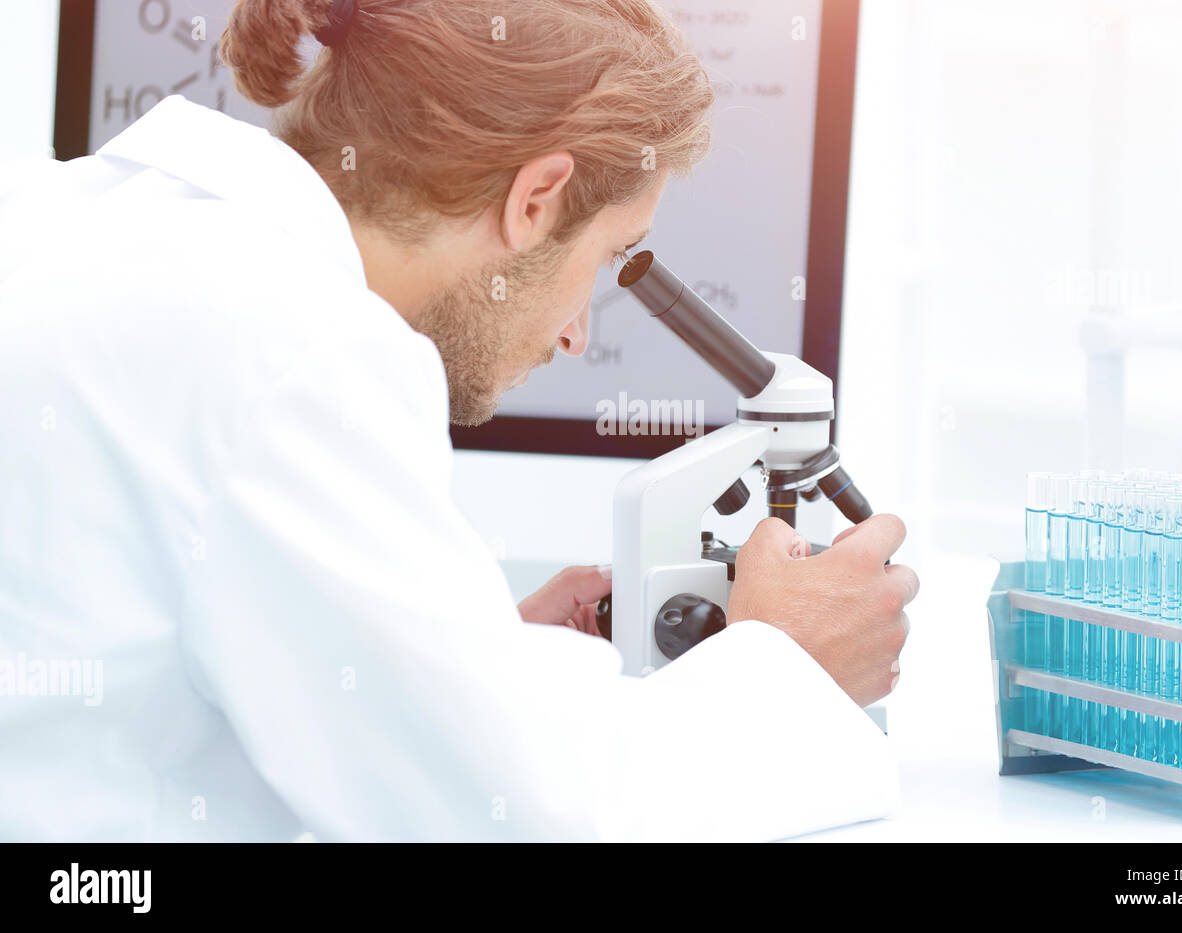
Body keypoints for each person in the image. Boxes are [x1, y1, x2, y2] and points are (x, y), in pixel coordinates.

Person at [0, 0, 918, 841]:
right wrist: (789, 664)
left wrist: (465, 662)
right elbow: (525, 820)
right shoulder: (293, 348)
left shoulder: (96, 224)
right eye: (607, 256)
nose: (574, 334)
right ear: (536, 198)